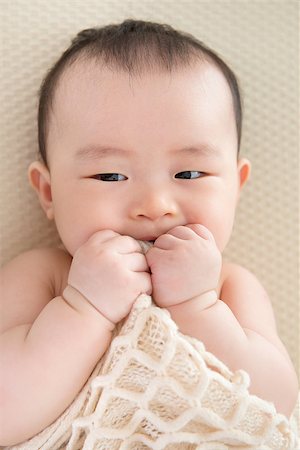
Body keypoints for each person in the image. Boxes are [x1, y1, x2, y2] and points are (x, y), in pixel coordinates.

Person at [0, 19, 298, 446]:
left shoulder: (229, 287)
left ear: (236, 186)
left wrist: (197, 306)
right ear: (49, 192)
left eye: (190, 172)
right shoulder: (44, 277)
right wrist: (84, 308)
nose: (155, 205)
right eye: (109, 175)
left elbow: (275, 406)